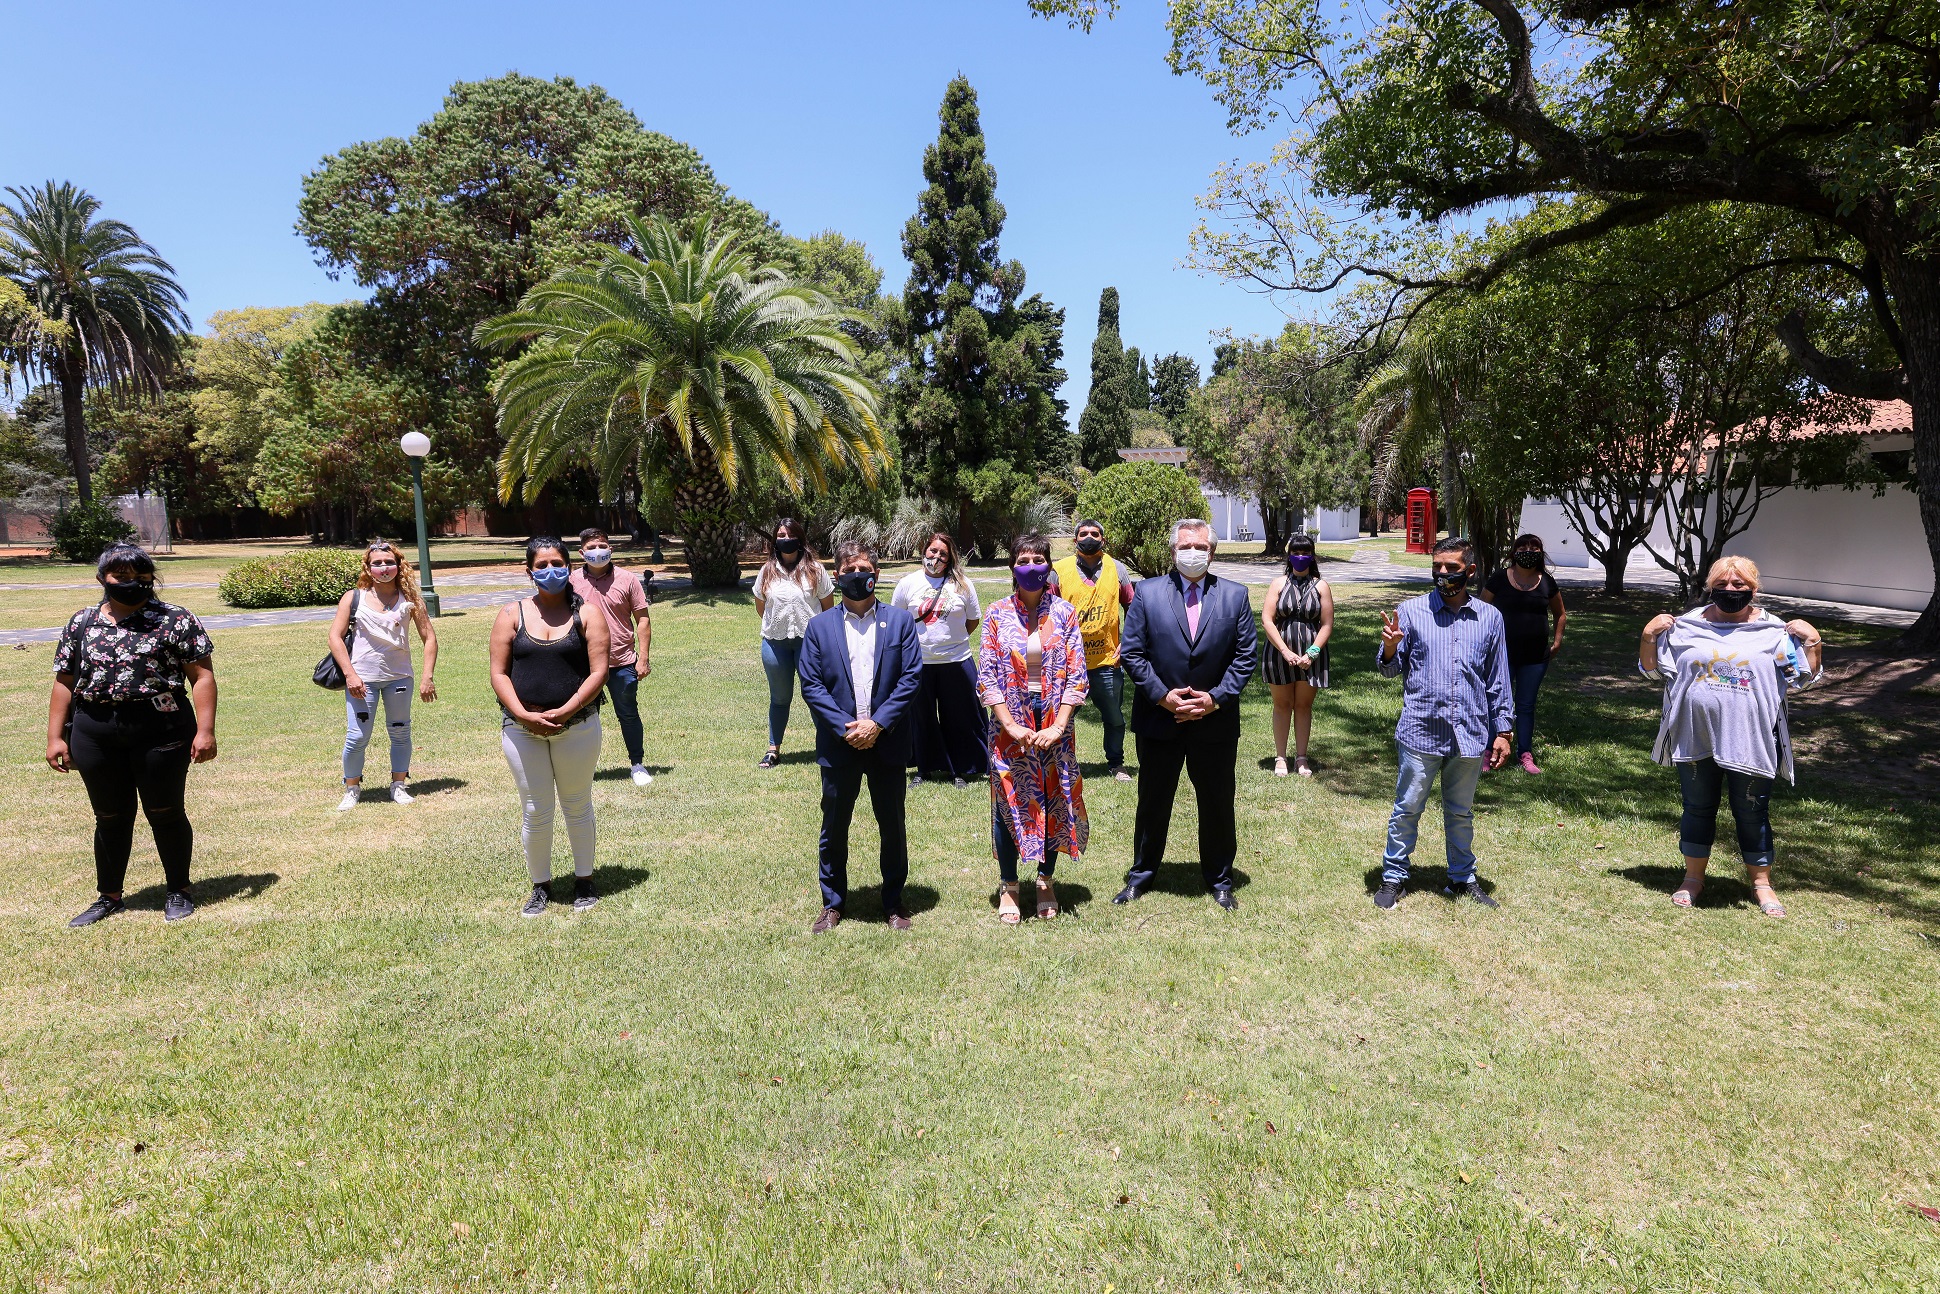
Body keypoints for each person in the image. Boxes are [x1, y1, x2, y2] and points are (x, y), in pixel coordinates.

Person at [1639, 555, 1823, 919]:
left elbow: (1802, 678)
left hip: (1752, 738)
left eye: (1739, 585)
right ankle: (1692, 879)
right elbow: (1650, 670)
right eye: (1722, 584)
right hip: (1695, 736)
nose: (1730, 590)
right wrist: (1647, 635)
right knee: (1697, 808)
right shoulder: (1685, 626)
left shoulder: (1776, 632)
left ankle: (1762, 884)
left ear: (1754, 589)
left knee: (1753, 811)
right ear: (1711, 586)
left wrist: (1814, 643)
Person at [48, 544, 218, 927]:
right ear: (102, 579)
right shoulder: (82, 622)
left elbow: (201, 677)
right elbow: (64, 681)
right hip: (94, 729)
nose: (133, 584)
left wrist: (205, 731)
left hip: (160, 727)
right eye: (121, 577)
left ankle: (178, 890)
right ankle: (108, 896)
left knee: (165, 810)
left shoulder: (175, 619)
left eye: (141, 578)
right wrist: (55, 737)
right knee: (109, 815)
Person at [1114, 519, 1258, 912]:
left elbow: (1245, 658)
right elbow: (1132, 652)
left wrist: (1213, 700)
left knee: (1216, 802)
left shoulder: (1235, 595)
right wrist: (1163, 697)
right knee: (1153, 801)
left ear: (1211, 552)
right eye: (1184, 546)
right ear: (1173, 550)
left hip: (1214, 723)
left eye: (1200, 546)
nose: (1192, 552)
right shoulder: (1146, 593)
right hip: (1160, 720)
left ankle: (1220, 879)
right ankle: (1141, 876)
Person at [1372, 536, 1515, 910]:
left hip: (1469, 731)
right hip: (1421, 730)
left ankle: (1462, 879)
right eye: (1437, 567)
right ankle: (1393, 877)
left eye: (1452, 568)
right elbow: (1389, 670)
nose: (1443, 574)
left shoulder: (1490, 618)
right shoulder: (1412, 611)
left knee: (1460, 811)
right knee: (1408, 807)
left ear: (1470, 571)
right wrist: (1390, 648)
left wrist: (1504, 730)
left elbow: (1498, 678)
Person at [797, 540, 922, 933]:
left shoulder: (900, 622)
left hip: (888, 742)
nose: (856, 575)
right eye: (848, 569)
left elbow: (910, 678)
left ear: (877, 575)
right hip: (840, 745)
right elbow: (812, 683)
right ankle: (832, 904)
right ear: (837, 576)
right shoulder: (819, 627)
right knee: (834, 825)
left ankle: (894, 902)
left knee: (892, 824)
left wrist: (877, 724)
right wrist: (845, 727)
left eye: (863, 568)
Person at [489, 537, 611, 918]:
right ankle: (540, 886)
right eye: (540, 565)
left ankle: (584, 880)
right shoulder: (511, 614)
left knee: (577, 805)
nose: (549, 571)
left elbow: (598, 672)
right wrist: (523, 714)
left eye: (556, 562)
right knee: (535, 809)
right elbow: (498, 673)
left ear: (569, 566)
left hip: (577, 726)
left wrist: (567, 709)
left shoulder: (588, 613)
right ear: (529, 571)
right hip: (521, 730)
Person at [979, 533, 1090, 923]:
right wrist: (1009, 725)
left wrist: (1060, 725)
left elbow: (1077, 674)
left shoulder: (1065, 613)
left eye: (1038, 560)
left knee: (1053, 799)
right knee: (1009, 804)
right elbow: (987, 677)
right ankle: (1009, 885)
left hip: (1054, 726)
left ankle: (1045, 879)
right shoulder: (995, 613)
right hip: (1009, 729)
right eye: (1023, 560)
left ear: (1049, 566)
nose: (1031, 567)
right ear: (1013, 567)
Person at [327, 541, 438, 810]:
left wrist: (427, 676)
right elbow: (335, 637)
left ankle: (398, 785)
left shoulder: (410, 599)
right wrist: (350, 675)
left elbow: (429, 638)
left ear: (398, 565)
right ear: (368, 567)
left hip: (399, 677)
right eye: (377, 563)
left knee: (400, 731)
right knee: (357, 736)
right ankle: (351, 788)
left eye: (389, 562)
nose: (384, 568)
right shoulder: (354, 598)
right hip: (362, 680)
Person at [890, 531, 985, 788]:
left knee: (959, 716)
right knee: (921, 718)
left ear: (950, 556)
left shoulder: (962, 584)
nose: (937, 556)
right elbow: (897, 620)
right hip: (918, 663)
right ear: (924, 551)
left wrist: (951, 640)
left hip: (956, 660)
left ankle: (961, 769)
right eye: (933, 551)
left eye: (943, 553)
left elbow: (973, 620)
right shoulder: (907, 583)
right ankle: (925, 767)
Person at [1050, 518, 1136, 782]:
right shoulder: (1058, 570)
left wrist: (1128, 642)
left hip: (1106, 661)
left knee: (1114, 718)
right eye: (1084, 533)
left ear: (1103, 539)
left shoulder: (1117, 569)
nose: (1089, 537)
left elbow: (1133, 607)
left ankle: (1116, 764)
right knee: (1061, 719)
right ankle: (1060, 763)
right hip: (1068, 663)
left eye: (1095, 533)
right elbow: (1047, 610)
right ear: (1075, 541)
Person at [571, 527, 655, 787]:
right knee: (581, 717)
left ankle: (637, 764)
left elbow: (642, 620)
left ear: (611, 548)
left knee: (628, 713)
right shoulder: (571, 581)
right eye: (592, 547)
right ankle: (580, 769)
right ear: (582, 552)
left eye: (602, 545)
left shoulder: (627, 579)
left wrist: (643, 658)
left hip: (622, 662)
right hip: (583, 663)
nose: (598, 551)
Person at [1480, 533, 1567, 773]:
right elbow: (1482, 611)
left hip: (1535, 657)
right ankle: (1489, 751)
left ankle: (1525, 754)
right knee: (1497, 704)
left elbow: (1561, 614)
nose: (1528, 550)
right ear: (1514, 551)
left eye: (1534, 547)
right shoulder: (1499, 578)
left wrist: (1557, 642)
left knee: (1526, 706)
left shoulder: (1547, 582)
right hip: (1500, 657)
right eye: (1523, 546)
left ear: (1540, 552)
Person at [752, 518, 834, 768]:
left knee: (814, 695)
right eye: (780, 534)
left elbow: (827, 607)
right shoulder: (767, 570)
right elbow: (761, 607)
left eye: (789, 534)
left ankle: (828, 747)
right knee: (780, 697)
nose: (784, 538)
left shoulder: (815, 570)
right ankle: (773, 750)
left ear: (799, 538)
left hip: (809, 644)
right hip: (775, 643)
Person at [1259, 533, 1333, 778]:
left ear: (1312, 557)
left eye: (1305, 553)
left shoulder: (1321, 586)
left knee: (1303, 706)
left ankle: (1301, 757)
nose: (1300, 557)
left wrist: (1311, 653)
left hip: (1311, 657)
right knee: (1282, 705)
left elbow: (1326, 625)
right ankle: (1281, 757)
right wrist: (1285, 651)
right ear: (1289, 556)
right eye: (1296, 552)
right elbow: (1267, 620)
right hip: (1279, 653)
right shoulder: (1277, 584)